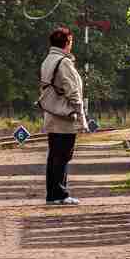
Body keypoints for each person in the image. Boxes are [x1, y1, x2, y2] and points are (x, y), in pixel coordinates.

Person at [38, 26, 87, 205]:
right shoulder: (64, 62)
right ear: (67, 42)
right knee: (63, 156)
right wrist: (82, 117)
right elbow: (72, 91)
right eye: (71, 41)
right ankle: (60, 194)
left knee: (54, 156)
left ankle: (53, 193)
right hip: (65, 117)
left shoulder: (47, 60)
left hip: (52, 115)